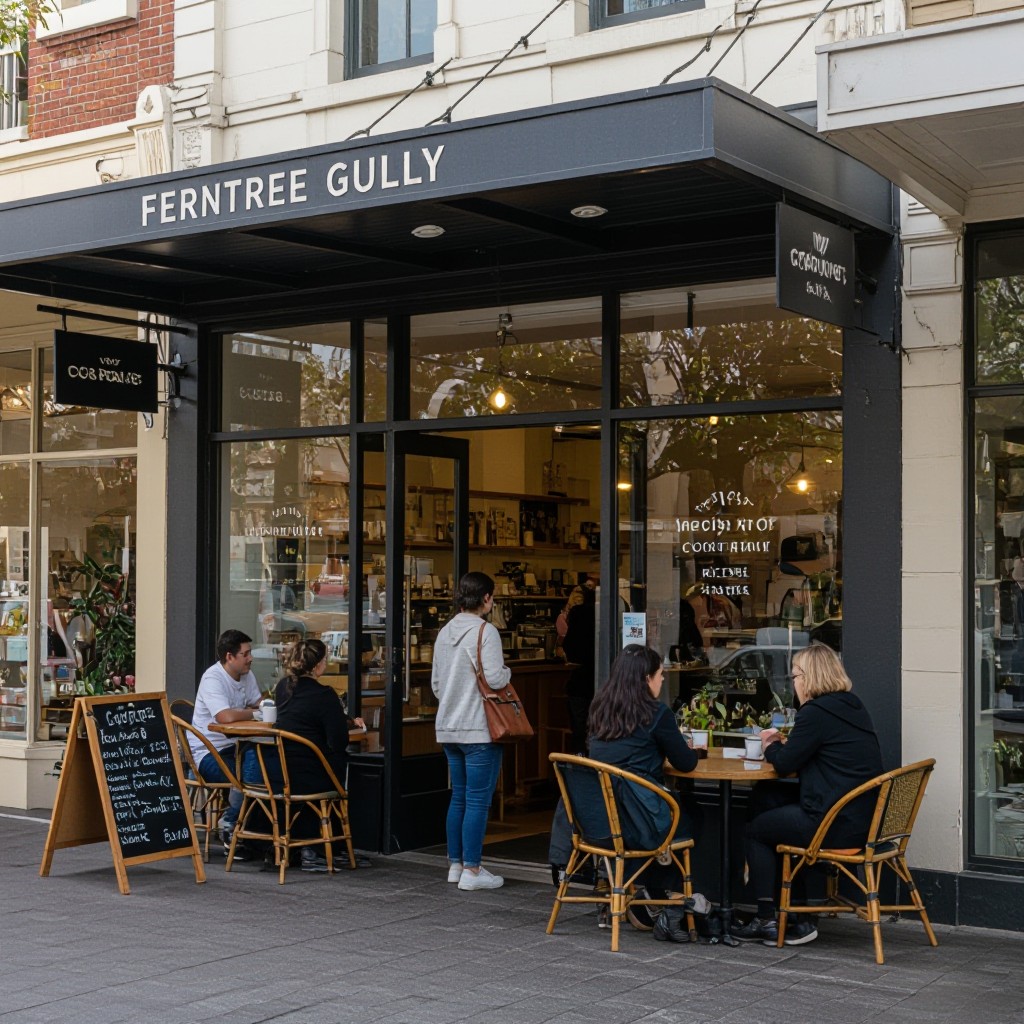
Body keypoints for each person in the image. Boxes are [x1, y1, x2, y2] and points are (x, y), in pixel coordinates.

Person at [731, 642, 883, 947]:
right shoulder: (852, 706)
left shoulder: (815, 713)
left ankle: (766, 919)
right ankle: (798, 916)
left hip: (832, 824)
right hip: (860, 820)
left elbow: (785, 763)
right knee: (766, 797)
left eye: (796, 676)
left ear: (810, 678)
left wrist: (770, 742)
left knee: (756, 831)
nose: (794, 683)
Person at [587, 644, 700, 927]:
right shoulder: (656, 713)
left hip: (597, 820)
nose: (662, 680)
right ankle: (656, 894)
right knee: (691, 814)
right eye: (660, 675)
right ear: (647, 678)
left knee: (666, 812)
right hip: (638, 823)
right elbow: (686, 763)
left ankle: (643, 891)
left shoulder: (599, 708)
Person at [432, 571, 511, 892]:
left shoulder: (444, 632)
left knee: (460, 796)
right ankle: (473, 870)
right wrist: (508, 671)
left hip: (448, 727)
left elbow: (437, 685)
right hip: (478, 728)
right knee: (478, 800)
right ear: (487, 598)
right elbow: (494, 678)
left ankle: (456, 864)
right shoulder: (485, 631)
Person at [269, 638, 366, 873]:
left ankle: (309, 847)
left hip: (282, 772)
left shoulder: (283, 688)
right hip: (313, 774)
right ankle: (328, 848)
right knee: (345, 768)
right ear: (317, 665)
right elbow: (339, 741)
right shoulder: (324, 694)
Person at [188, 629, 263, 858]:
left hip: (237, 745)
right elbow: (225, 717)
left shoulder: (246, 675)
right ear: (229, 657)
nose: (250, 658)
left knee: (263, 767)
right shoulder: (213, 678)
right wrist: (253, 713)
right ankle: (231, 827)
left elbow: (259, 703)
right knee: (250, 774)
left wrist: (254, 709)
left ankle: (249, 831)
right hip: (209, 752)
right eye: (245, 654)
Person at [562, 576, 597, 753]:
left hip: (580, 682)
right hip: (602, 682)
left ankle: (580, 763)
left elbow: (570, 646)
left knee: (579, 731)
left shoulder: (578, 613)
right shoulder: (608, 612)